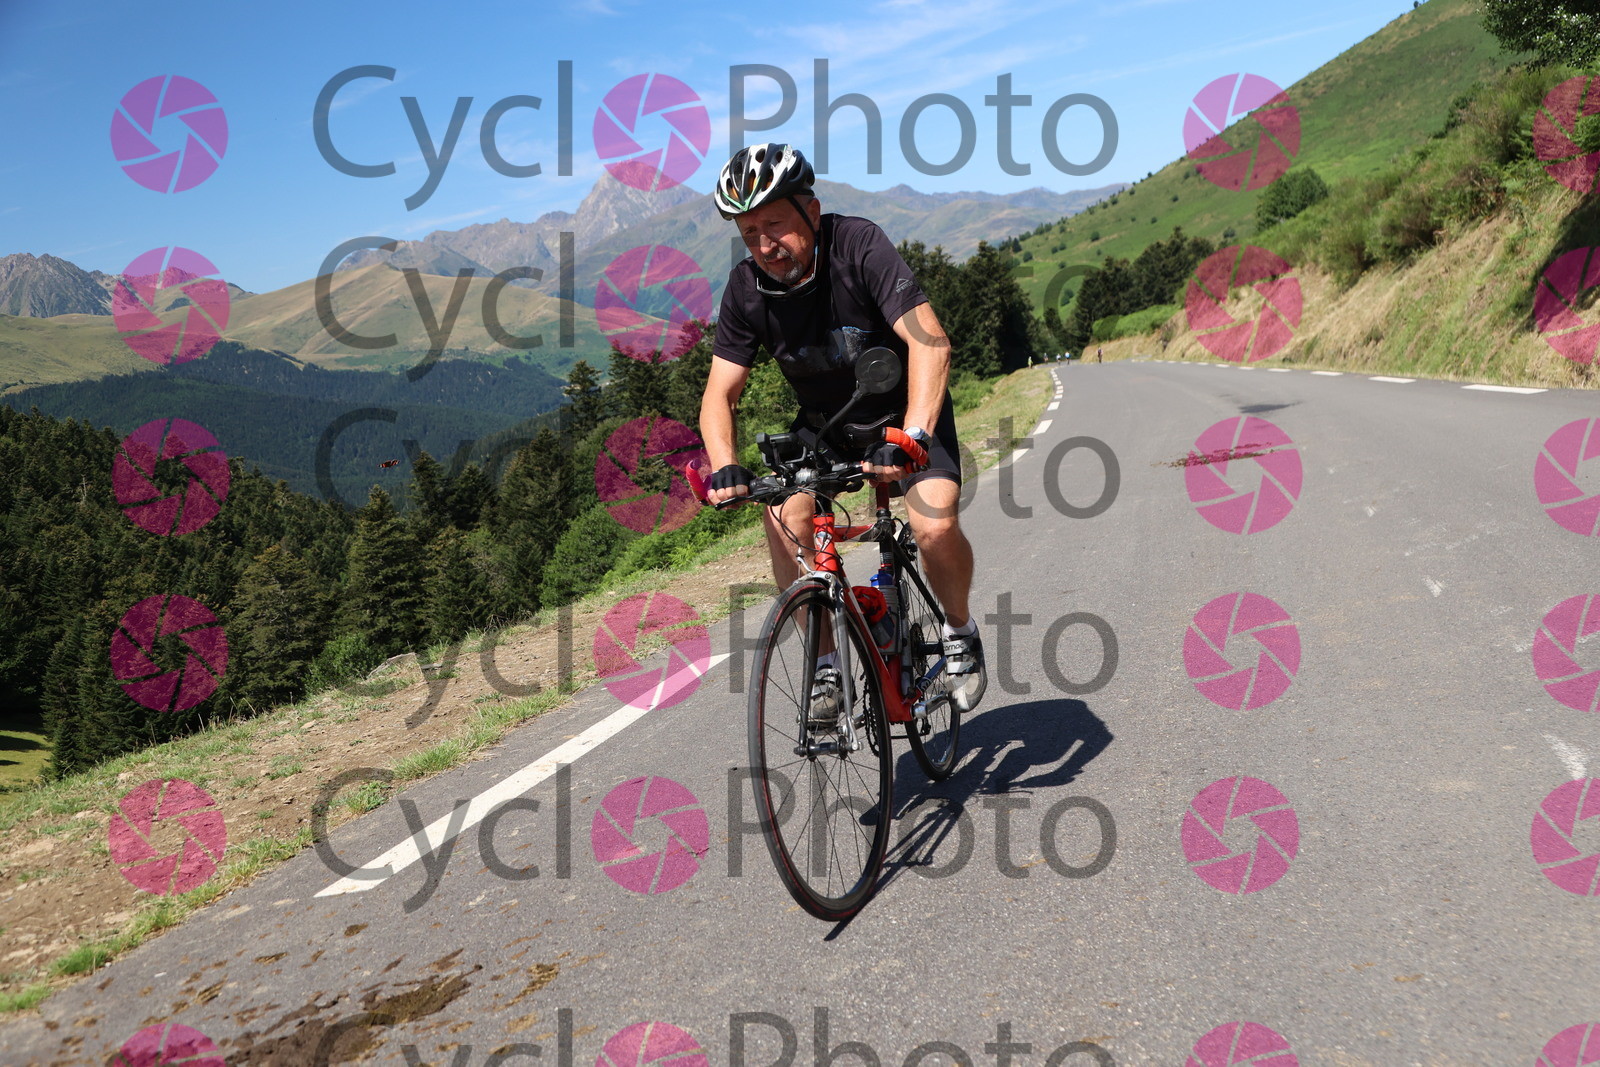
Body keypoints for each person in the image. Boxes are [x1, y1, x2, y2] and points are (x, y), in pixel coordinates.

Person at [698, 143, 987, 717]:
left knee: (932, 527)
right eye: (749, 233)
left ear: (811, 209)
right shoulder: (746, 289)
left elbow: (930, 341)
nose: (764, 245)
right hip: (826, 429)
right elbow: (718, 394)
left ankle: (960, 631)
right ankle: (827, 663)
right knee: (786, 519)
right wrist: (724, 463)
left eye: (774, 224)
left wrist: (915, 435)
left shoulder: (858, 245)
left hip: (905, 416)